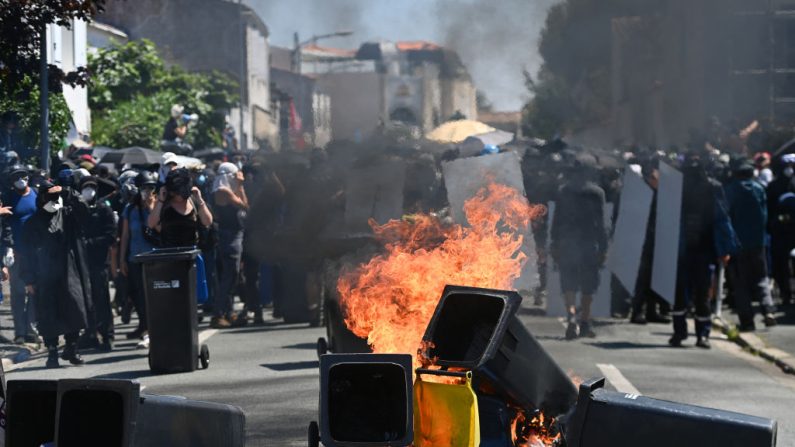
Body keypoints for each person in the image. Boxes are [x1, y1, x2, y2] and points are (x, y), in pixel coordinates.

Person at [20, 181, 91, 368]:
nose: (53, 200)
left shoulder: (67, 215)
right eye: (48, 196)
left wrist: (67, 192)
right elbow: (25, 253)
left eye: (55, 196)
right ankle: (52, 353)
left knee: (75, 309)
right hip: (43, 274)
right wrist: (28, 278)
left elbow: (84, 211)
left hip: (69, 271)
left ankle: (71, 348)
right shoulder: (32, 223)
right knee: (48, 314)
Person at [670, 155, 738, 349]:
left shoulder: (712, 188)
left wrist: (724, 248)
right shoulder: (679, 188)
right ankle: (685, 333)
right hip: (686, 248)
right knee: (685, 294)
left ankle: (699, 334)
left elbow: (722, 218)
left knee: (698, 294)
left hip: (702, 248)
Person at [551, 153, 608, 339]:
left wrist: (554, 243)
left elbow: (557, 221)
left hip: (567, 242)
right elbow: (601, 223)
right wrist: (604, 247)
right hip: (589, 244)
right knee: (588, 285)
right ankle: (584, 322)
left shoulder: (563, 191)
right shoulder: (597, 193)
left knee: (568, 282)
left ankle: (571, 317)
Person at [725, 159, 777, 330]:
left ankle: (747, 322)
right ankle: (768, 309)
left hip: (737, 244)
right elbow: (765, 215)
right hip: (758, 242)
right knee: (761, 277)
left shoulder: (731, 191)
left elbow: (726, 217)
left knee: (741, 283)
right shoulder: (759, 189)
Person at [77, 176, 118, 351]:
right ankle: (90, 334)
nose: (89, 191)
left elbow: (110, 236)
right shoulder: (78, 210)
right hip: (82, 262)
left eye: (91, 187)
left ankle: (107, 336)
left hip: (99, 262)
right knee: (86, 301)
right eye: (85, 187)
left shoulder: (103, 209)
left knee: (102, 301)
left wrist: (90, 242)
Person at [119, 171, 157, 348]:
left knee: (154, 295)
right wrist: (122, 259)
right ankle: (145, 327)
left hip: (154, 258)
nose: (147, 192)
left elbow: (157, 227)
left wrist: (150, 207)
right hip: (135, 258)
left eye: (150, 188)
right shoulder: (130, 209)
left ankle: (152, 329)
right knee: (139, 296)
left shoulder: (157, 206)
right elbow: (125, 235)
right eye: (144, 188)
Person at [2, 164, 39, 344]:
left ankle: (32, 329)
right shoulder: (9, 198)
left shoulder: (36, 195)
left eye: (23, 176)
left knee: (35, 291)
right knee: (17, 293)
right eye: (16, 177)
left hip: (36, 251)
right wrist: (10, 247)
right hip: (16, 252)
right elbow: (5, 225)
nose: (20, 180)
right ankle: (20, 333)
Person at [210, 163, 248, 328]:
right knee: (229, 276)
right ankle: (218, 314)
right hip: (230, 237)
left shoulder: (222, 190)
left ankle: (229, 311)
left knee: (233, 275)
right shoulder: (222, 191)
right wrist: (239, 185)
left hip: (233, 236)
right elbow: (244, 205)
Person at [148, 168, 212, 247]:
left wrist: (200, 200)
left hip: (191, 253)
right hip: (169, 253)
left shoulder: (194, 201)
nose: (181, 194)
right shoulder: (164, 203)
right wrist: (160, 201)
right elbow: (151, 224)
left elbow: (207, 222)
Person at [767, 154, 795, 305]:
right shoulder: (774, 186)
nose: (790, 170)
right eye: (788, 166)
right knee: (781, 264)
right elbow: (769, 209)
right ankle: (785, 293)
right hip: (780, 231)